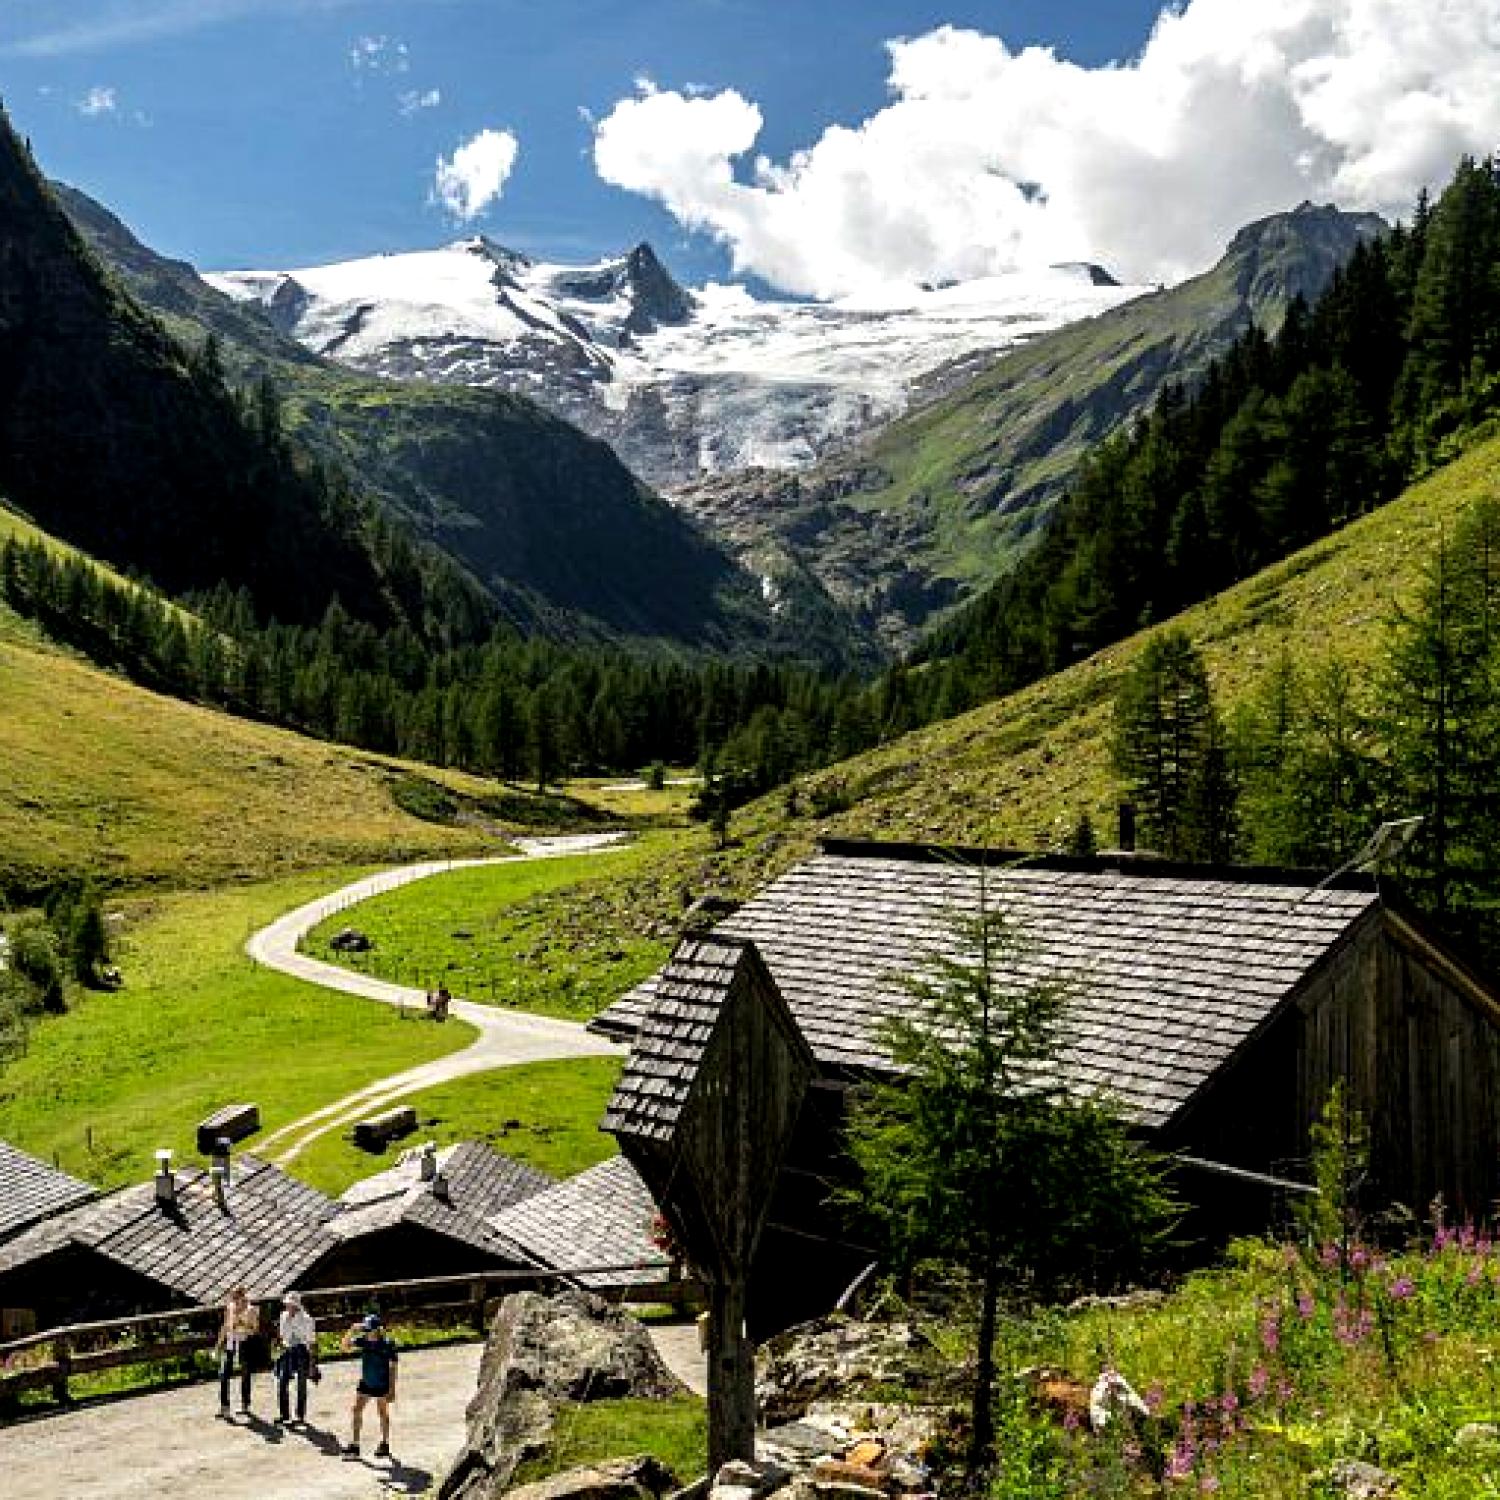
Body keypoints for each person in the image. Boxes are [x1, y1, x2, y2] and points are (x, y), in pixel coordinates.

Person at [341, 1313, 398, 1459]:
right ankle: (355, 1445)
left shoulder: (387, 1344)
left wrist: (392, 1389)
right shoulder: (363, 1341)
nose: (367, 1333)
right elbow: (344, 1348)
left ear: (377, 1330)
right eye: (365, 1330)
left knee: (382, 1413)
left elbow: (393, 1367)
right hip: (366, 1382)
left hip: (381, 1384)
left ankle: (384, 1443)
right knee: (356, 1410)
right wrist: (351, 1331)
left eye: (369, 1330)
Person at [214, 1285, 261, 1416]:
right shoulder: (230, 1307)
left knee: (245, 1375)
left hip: (245, 1344)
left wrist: (242, 1324)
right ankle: (225, 1406)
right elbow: (225, 1326)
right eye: (232, 1297)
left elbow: (255, 1330)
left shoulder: (251, 1310)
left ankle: (245, 1404)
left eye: (236, 1297)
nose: (233, 1300)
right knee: (223, 1374)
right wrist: (218, 1344)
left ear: (242, 1297)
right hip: (230, 1343)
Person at [275, 1290, 318, 1427]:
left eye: (291, 1304)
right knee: (282, 1383)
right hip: (288, 1351)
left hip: (302, 1352)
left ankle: (299, 1416)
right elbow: (282, 1337)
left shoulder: (307, 1320)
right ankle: (284, 1415)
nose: (288, 1306)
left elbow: (311, 1343)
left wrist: (312, 1365)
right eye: (287, 1304)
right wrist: (281, 1351)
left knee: (301, 1385)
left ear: (297, 1306)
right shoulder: (283, 1316)